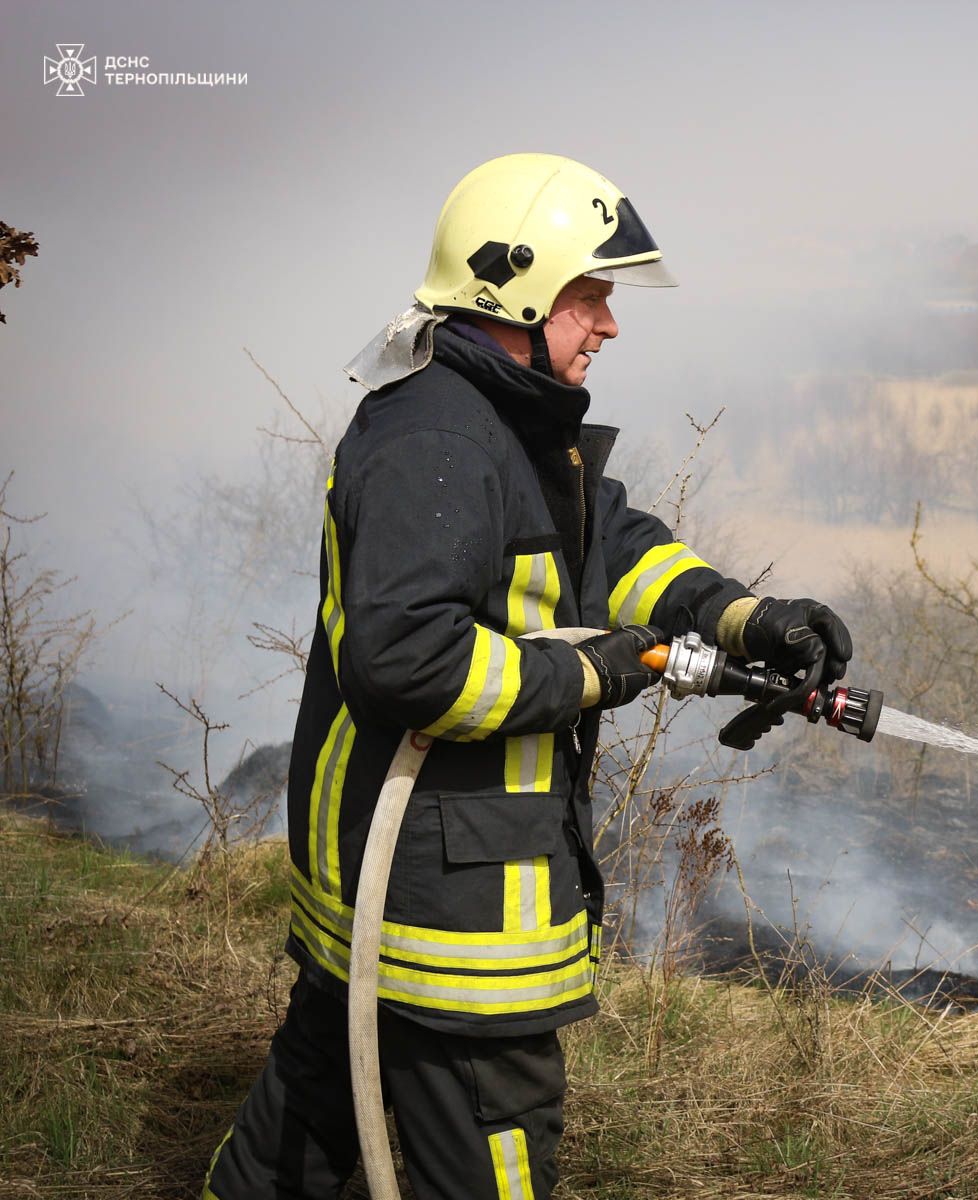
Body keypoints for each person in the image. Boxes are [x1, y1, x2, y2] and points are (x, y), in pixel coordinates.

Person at [203, 153, 853, 1199]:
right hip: (450, 926)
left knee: (299, 1155)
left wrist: (747, 619)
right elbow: (410, 663)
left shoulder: (500, 416)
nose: (609, 323)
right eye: (590, 294)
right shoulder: (441, 441)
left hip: (397, 893)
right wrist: (605, 673)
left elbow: (612, 546)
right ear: (515, 287)